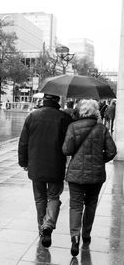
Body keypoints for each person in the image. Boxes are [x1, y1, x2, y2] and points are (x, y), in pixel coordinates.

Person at [62, 99, 116, 257]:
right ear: (95, 111)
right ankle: (86, 234)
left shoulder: (72, 127)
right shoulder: (102, 128)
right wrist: (100, 160)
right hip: (96, 175)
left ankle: (74, 237)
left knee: (76, 206)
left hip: (76, 175)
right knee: (91, 204)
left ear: (81, 111)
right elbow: (112, 151)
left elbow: (66, 149)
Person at [18, 93, 72, 248]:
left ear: (44, 100)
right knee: (54, 196)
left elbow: (23, 142)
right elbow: (69, 144)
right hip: (56, 164)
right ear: (58, 100)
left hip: (36, 164)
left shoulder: (32, 116)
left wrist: (23, 162)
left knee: (40, 198)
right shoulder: (64, 118)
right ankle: (48, 225)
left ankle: (41, 229)